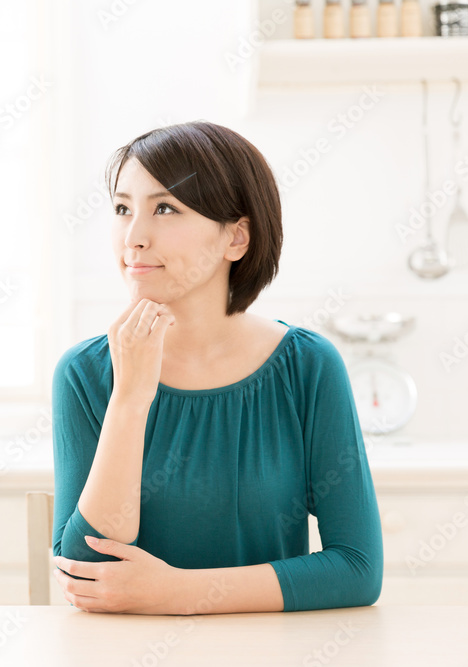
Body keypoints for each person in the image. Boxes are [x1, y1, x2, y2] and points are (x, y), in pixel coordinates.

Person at [50, 120, 383, 615]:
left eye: (165, 208)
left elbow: (357, 569)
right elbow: (87, 573)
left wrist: (178, 592)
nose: (133, 236)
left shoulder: (307, 367)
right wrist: (131, 399)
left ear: (236, 239)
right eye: (123, 209)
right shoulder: (85, 373)